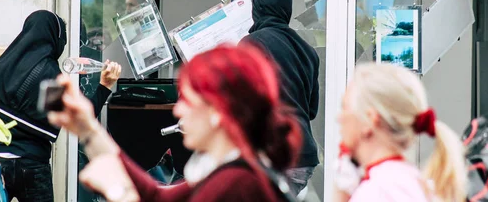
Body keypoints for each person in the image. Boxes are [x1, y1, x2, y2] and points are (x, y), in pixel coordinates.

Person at [48, 44, 302, 202]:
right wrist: (87, 128)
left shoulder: (237, 184)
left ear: (218, 112)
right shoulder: (232, 171)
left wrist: (117, 191)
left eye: (188, 100)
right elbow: (157, 196)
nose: (178, 109)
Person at [0, 10, 121, 202]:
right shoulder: (50, 73)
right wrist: (104, 86)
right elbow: (80, 118)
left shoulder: (1, 67)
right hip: (32, 165)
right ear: (55, 39)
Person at [334, 63, 466, 202]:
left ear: (370, 119)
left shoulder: (376, 192)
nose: (339, 117)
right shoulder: (413, 183)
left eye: (344, 107)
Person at [239, 0, 319, 194]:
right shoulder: (307, 50)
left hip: (274, 154)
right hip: (303, 157)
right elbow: (311, 111)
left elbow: (241, 103)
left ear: (257, 8)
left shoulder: (251, 44)